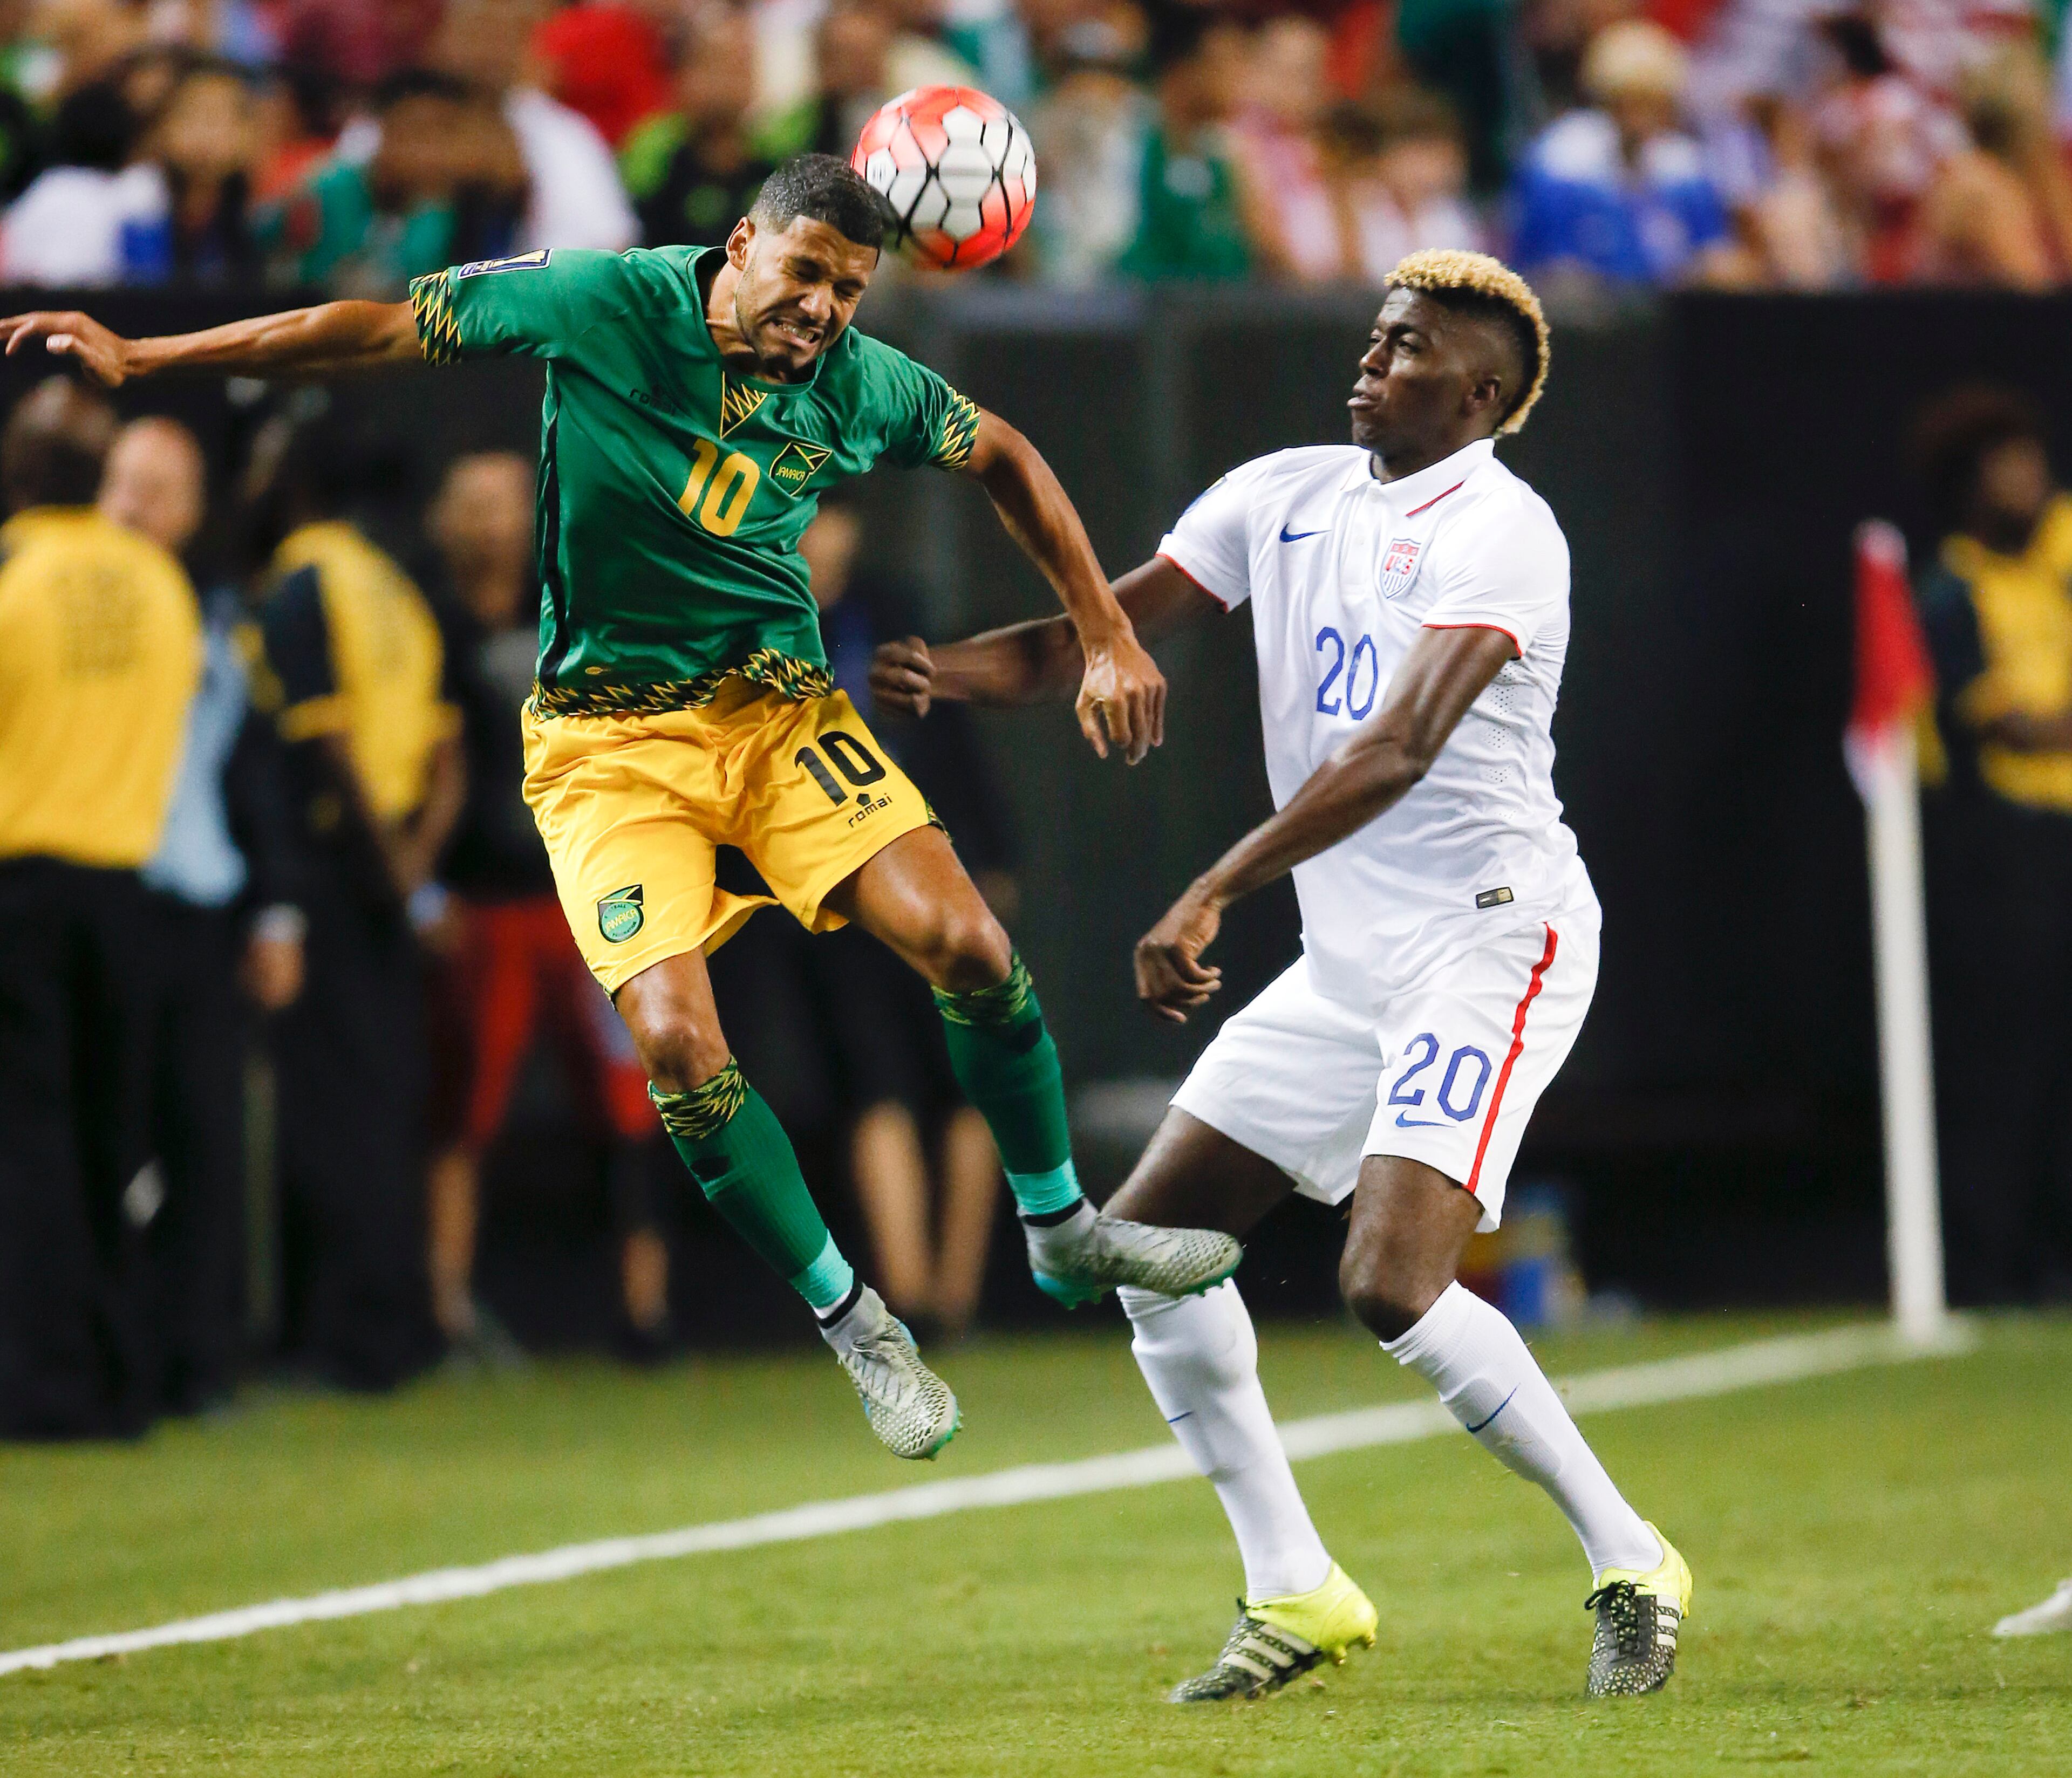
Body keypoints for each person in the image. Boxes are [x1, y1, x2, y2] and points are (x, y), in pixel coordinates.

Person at [0, 152, 1241, 1461]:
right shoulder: (603, 301)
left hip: (775, 713)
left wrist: (1107, 631)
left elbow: (1006, 454)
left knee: (969, 941)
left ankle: (1062, 1229)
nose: (823, 309)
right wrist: (151, 355)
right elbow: (374, 326)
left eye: (850, 291)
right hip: (607, 744)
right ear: (744, 242)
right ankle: (858, 1323)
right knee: (675, 1042)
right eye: (807, 272)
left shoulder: (858, 384)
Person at [873, 249, 1691, 1697]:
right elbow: (1095, 634)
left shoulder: (1504, 530)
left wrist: (1214, 885)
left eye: (1409, 348)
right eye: (1376, 334)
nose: (1372, 359)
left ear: (1480, 396)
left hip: (1488, 939)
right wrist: (944, 672)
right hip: (1350, 960)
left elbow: (1397, 749)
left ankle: (1632, 1558)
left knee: (1389, 1282)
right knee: (1151, 1245)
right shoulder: (1281, 492)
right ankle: (1295, 1586)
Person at [421, 449, 674, 1362]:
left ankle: (643, 1316)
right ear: (443, 521)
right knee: (463, 1109)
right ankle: (445, 1313)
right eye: (473, 505)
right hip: (485, 906)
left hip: (589, 901)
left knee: (631, 1107)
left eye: (505, 504)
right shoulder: (425, 627)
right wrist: (424, 887)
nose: (491, 524)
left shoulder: (576, 610)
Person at [242, 409, 465, 1390]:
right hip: (394, 871)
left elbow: (327, 743)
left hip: (337, 868)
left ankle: (352, 1339)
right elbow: (450, 754)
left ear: (296, 483)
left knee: (331, 1110)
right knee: (384, 1100)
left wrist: (386, 867)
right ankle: (399, 1323)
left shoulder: (304, 581)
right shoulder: (396, 588)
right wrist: (418, 873)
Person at [0, 377, 201, 1437]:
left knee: (27, 1143)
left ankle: (45, 1383)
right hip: (128, 889)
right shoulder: (159, 584)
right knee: (112, 1140)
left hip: (23, 888)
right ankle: (125, 1372)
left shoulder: (14, 568)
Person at [99, 415, 306, 1414]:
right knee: (97, 1140)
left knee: (204, 1139)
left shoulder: (220, 623)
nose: (134, 506)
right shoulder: (61, 595)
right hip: (98, 895)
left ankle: (198, 1360)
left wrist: (276, 915)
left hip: (198, 907)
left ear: (190, 512)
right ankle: (105, 1356)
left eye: (157, 490)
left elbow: (256, 777)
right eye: (122, 483)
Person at [799, 492, 1015, 1338]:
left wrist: (990, 865)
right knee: (874, 1084)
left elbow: (955, 747)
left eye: (826, 513)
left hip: (933, 877)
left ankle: (957, 1300)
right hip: (834, 894)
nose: (815, 533)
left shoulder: (892, 617)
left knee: (970, 1081)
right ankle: (908, 1298)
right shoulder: (753, 627)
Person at [1912, 387, 2072, 1304]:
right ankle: (1991, 1267)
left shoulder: (2064, 554)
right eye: (2006, 468)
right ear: (1970, 485)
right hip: (2011, 858)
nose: (2029, 480)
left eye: (2032, 460)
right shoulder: (1953, 592)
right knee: (2010, 1064)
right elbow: (2009, 726)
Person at [1510, 20, 1736, 291]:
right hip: (1587, 307)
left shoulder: (1686, 170)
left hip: (1670, 305)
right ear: (1605, 102)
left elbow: (1712, 255)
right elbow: (1550, 264)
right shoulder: (1562, 164)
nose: (1639, 119)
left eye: (1652, 105)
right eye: (1628, 103)